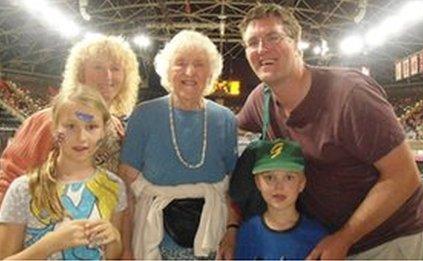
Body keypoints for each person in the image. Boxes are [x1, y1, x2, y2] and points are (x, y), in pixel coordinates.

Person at [218, 4, 423, 260]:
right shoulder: (261, 100)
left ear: (297, 42)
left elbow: (403, 177)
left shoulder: (350, 95)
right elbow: (221, 129)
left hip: (390, 239)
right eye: (252, 42)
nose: (262, 49)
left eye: (273, 37)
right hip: (329, 241)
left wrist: (344, 238)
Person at [0, 35, 140, 258]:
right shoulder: (44, 122)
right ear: (80, 72)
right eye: (98, 67)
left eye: (116, 68)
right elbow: (8, 182)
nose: (108, 76)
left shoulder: (119, 129)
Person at [119, 30, 237, 260]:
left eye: (199, 64)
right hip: (157, 235)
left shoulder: (225, 119)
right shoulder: (144, 115)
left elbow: (231, 187)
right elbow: (127, 185)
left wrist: (232, 233)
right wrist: (127, 247)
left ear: (211, 73)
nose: (190, 72)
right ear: (166, 70)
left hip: (212, 232)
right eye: (180, 63)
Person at [0, 86, 126, 259]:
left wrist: (114, 239)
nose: (81, 137)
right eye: (70, 126)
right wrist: (51, 244)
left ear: (103, 131)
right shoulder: (24, 189)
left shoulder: (115, 187)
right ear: (54, 129)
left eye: (91, 127)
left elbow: (112, 256)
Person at [234, 138, 327, 260]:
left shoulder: (317, 236)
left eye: (288, 177)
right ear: (257, 182)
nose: (279, 187)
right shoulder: (248, 232)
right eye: (269, 177)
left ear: (302, 183)